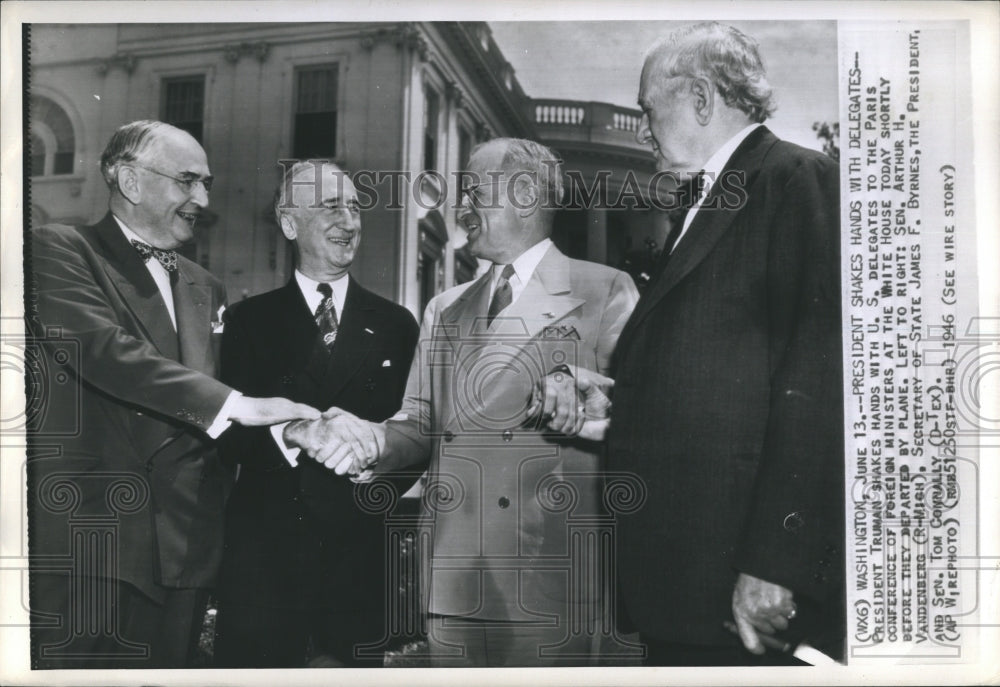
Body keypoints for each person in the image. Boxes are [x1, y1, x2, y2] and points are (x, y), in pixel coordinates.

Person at [286, 138, 639, 666]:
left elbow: (644, 418)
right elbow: (421, 423)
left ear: (524, 195)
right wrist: (368, 439)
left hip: (548, 577)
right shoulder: (445, 309)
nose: (461, 208)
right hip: (453, 577)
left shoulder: (605, 289)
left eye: (474, 191)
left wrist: (588, 395)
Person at [27, 120, 318, 669]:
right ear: (131, 181)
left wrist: (289, 429)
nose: (203, 200)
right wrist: (241, 406)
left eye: (206, 184)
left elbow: (214, 407)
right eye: (188, 181)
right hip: (96, 544)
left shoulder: (206, 286)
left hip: (187, 551)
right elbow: (107, 352)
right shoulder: (57, 248)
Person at [607, 22, 845, 665]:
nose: (643, 129)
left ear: (701, 99)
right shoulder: (704, 205)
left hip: (744, 592)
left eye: (647, 109)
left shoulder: (799, 181)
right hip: (685, 584)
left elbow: (820, 385)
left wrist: (777, 562)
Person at [211, 160, 419, 667]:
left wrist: (372, 455)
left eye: (354, 207)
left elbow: (417, 436)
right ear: (288, 223)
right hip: (264, 557)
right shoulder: (246, 320)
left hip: (361, 556)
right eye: (330, 206)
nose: (348, 220)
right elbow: (225, 434)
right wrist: (296, 435)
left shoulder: (396, 324)